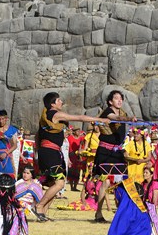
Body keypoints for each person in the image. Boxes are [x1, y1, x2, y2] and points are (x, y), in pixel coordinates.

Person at [34, 92, 106, 222]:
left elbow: (37, 135)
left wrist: (38, 151)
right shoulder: (54, 114)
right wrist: (99, 120)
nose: (61, 102)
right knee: (60, 183)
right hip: (50, 152)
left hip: (50, 152)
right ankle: (39, 206)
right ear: (52, 104)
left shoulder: (46, 117)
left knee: (53, 184)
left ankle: (42, 213)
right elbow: (79, 117)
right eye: (59, 100)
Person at [93, 90, 136, 223]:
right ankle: (98, 213)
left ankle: (123, 213)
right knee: (105, 181)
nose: (119, 101)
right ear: (110, 101)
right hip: (105, 152)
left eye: (121, 99)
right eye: (116, 98)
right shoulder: (108, 112)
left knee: (123, 181)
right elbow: (115, 118)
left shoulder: (122, 112)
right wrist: (129, 119)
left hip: (117, 152)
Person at [66, 127, 84, 191]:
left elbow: (82, 145)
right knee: (71, 171)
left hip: (78, 156)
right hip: (71, 155)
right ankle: (71, 186)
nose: (79, 132)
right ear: (74, 132)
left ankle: (75, 186)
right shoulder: (70, 138)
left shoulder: (81, 138)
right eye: (77, 131)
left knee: (77, 171)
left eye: (79, 131)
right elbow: (67, 146)